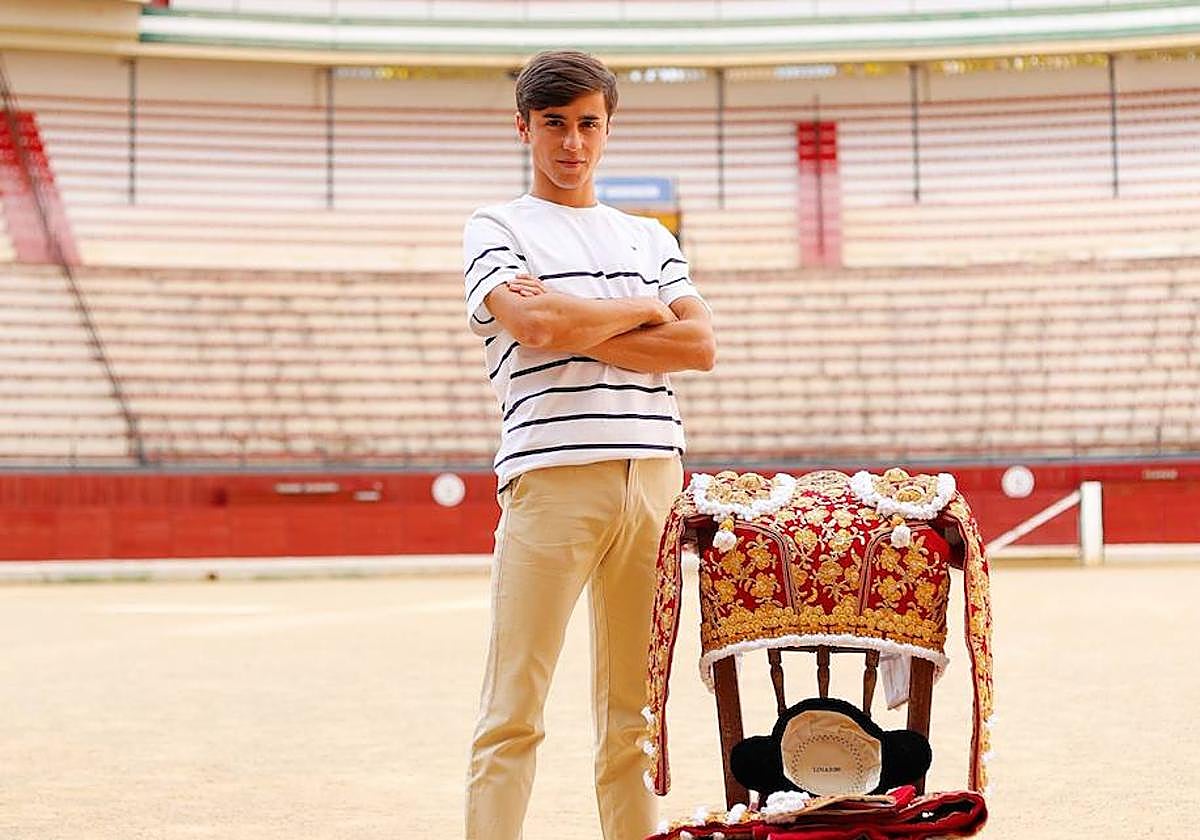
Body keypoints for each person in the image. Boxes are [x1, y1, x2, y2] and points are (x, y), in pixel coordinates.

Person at [461, 49, 715, 840]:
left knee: (635, 712)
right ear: (524, 128)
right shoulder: (496, 226)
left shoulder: (647, 236)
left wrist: (579, 319)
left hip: (656, 482)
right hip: (552, 477)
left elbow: (700, 346)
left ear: (608, 128)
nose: (572, 143)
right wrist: (644, 314)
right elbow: (531, 327)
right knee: (514, 707)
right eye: (555, 125)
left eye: (587, 124)